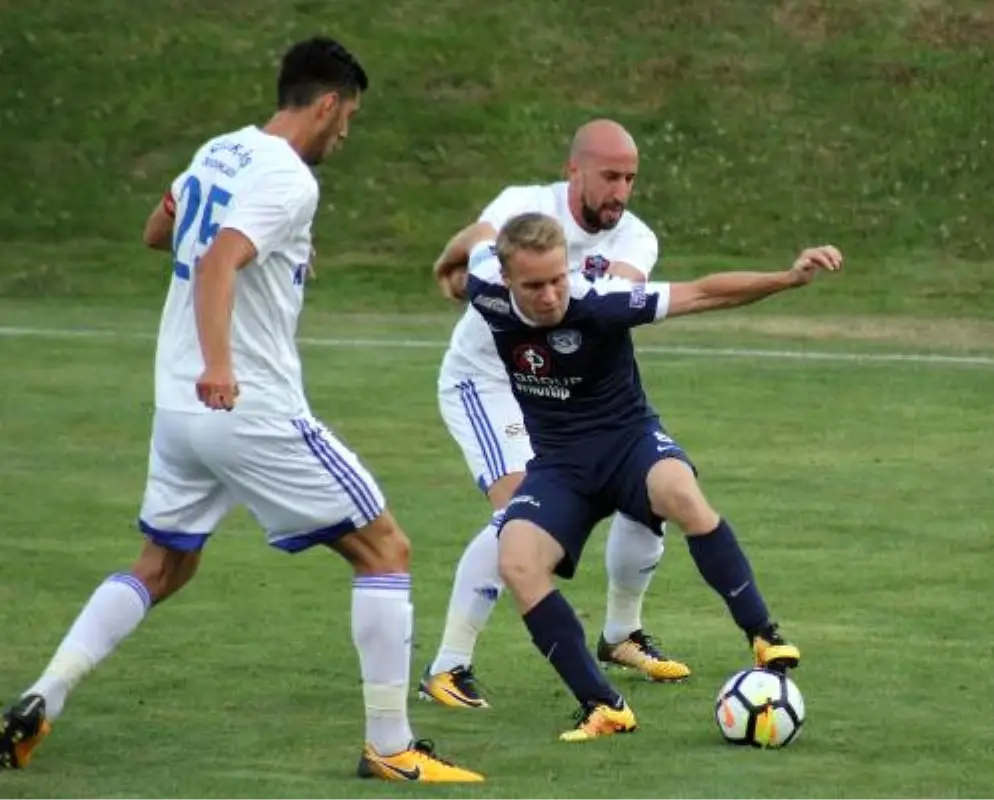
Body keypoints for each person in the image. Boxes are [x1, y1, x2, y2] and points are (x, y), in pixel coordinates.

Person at [0, 37, 483, 784]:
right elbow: (223, 256)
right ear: (326, 104)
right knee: (385, 549)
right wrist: (222, 364)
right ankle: (390, 746)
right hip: (243, 405)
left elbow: (161, 232)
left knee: (163, 565)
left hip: (176, 409)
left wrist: (278, 257)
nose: (345, 134)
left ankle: (42, 696)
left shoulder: (220, 150)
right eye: (347, 118)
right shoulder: (290, 178)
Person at [464, 211, 843, 741]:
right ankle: (604, 706)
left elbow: (703, 293)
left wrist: (787, 277)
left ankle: (763, 634)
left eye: (558, 279)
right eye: (534, 285)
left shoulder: (602, 302)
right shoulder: (483, 286)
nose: (551, 295)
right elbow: (479, 237)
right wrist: (444, 262)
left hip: (629, 444)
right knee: (517, 560)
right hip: (561, 467)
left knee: (679, 491)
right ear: (506, 281)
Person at [420, 119, 688, 710]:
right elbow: (478, 241)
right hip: (489, 382)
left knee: (650, 491)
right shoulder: (526, 204)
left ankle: (621, 634)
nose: (621, 190)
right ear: (576, 171)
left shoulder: (636, 238)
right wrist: (448, 262)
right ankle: (448, 665)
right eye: (610, 176)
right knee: (521, 514)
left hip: (564, 392)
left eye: (630, 178)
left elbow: (599, 310)